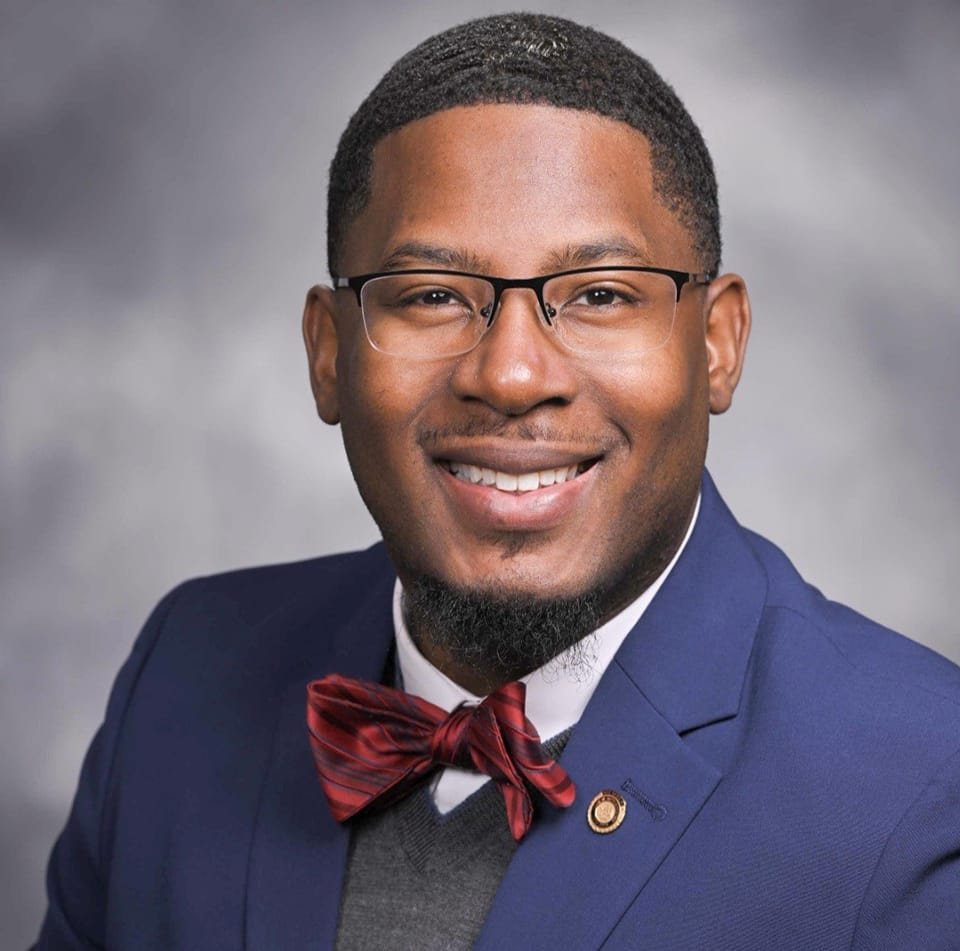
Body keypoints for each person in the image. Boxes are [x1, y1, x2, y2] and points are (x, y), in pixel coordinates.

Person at [35, 13, 960, 951]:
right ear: (327, 355)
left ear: (718, 345)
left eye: (601, 294)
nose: (513, 376)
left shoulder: (917, 783)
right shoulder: (184, 675)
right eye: (433, 293)